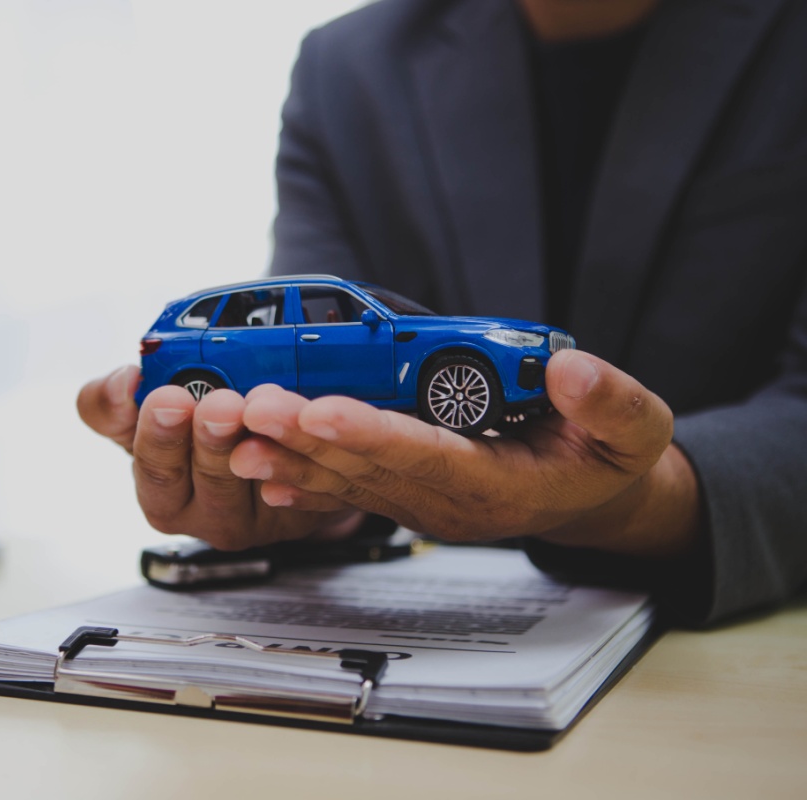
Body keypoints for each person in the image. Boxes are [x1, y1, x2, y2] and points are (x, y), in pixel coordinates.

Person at [78, 0, 807, 626]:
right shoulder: (346, 70)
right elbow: (301, 385)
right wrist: (314, 490)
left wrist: (636, 500)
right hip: (414, 636)